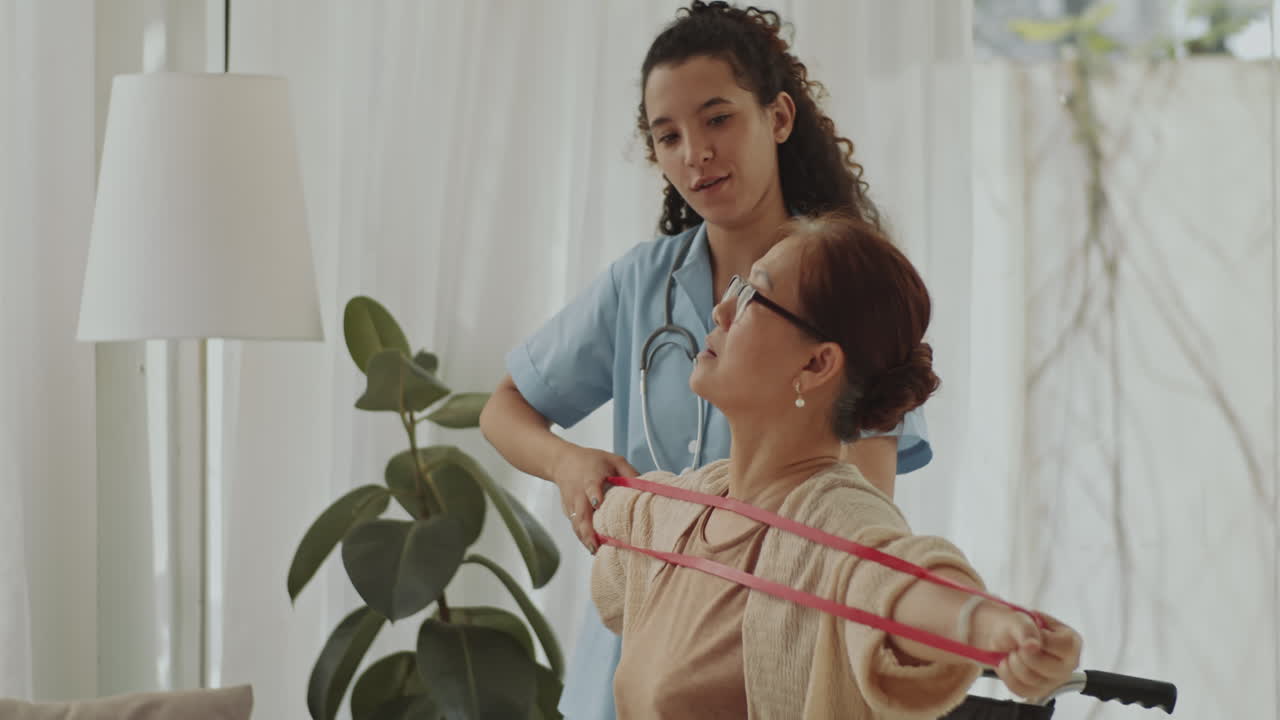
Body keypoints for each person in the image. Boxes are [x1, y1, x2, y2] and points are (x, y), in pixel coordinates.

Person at [479, 3, 930, 717]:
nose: (695, 152)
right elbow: (504, 406)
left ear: (778, 118)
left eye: (718, 119)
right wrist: (568, 464)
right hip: (633, 642)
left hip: (770, 637)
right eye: (668, 135)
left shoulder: (851, 288)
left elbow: (864, 521)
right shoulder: (640, 284)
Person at [591, 212, 1084, 718]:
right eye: (737, 286)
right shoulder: (678, 511)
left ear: (816, 364)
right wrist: (580, 479)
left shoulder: (836, 518)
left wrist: (991, 627)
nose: (721, 310)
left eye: (751, 297)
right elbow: (619, 522)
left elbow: (890, 585)